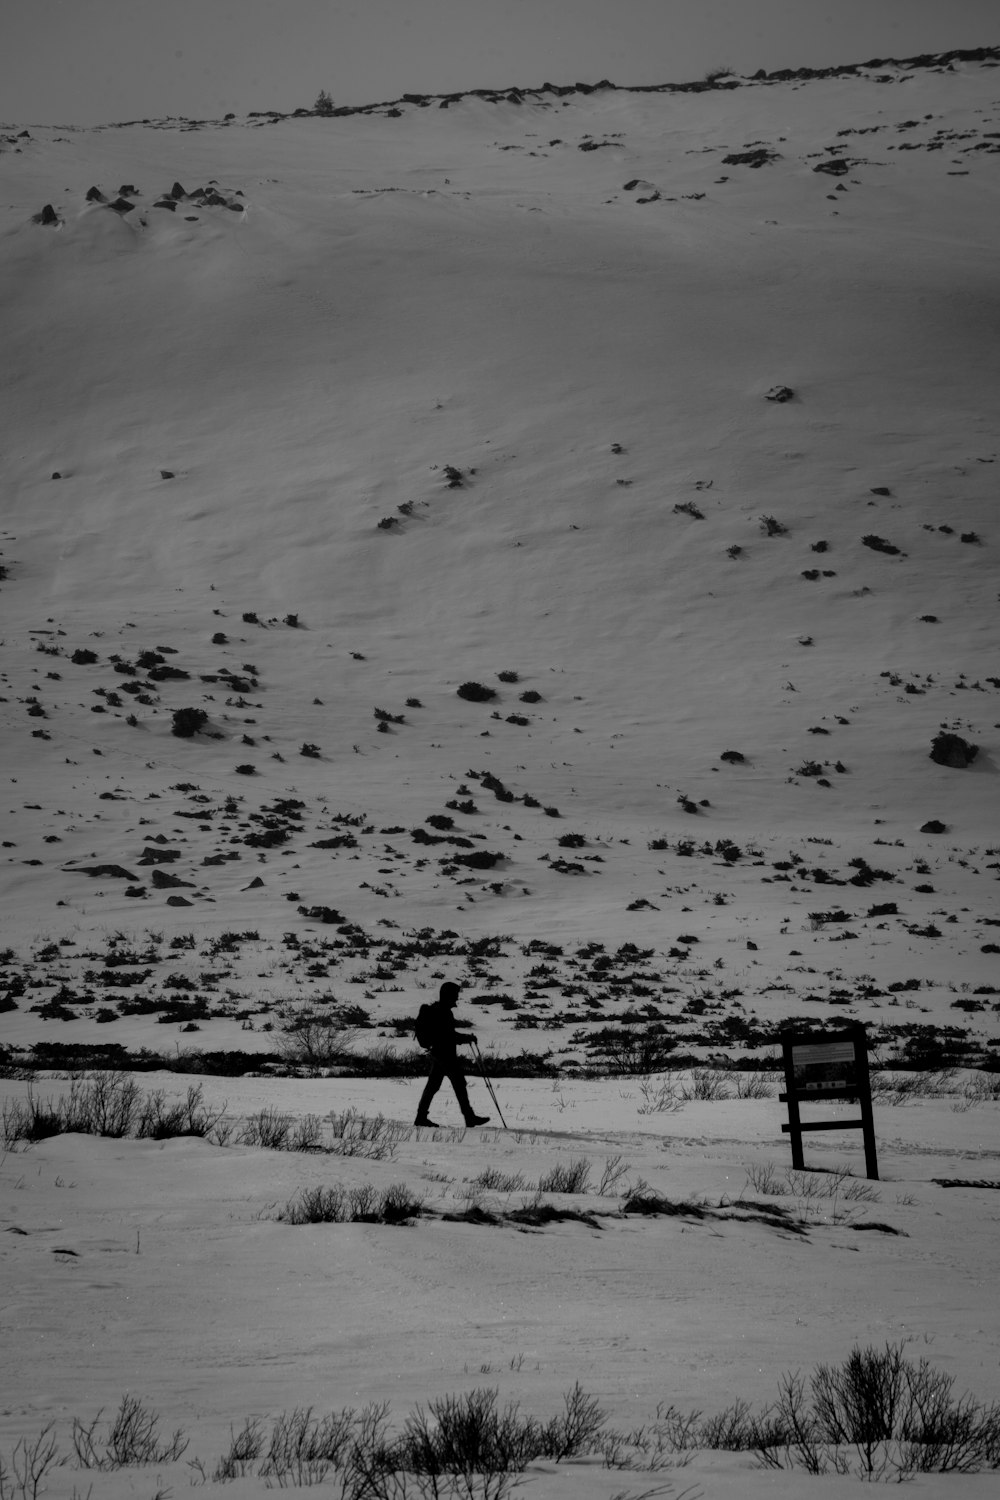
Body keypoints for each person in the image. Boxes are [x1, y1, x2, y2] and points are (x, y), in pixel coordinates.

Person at [414, 981, 489, 1127]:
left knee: (433, 1086)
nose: (456, 998)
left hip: (439, 1054)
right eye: (455, 994)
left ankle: (421, 1117)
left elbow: (448, 1035)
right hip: (445, 1056)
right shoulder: (444, 1013)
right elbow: (450, 1036)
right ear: (449, 995)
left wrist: (466, 1038)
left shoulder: (438, 1010)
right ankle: (469, 1117)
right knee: (458, 1084)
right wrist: (468, 1038)